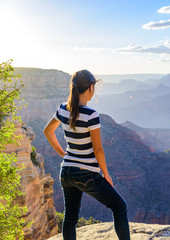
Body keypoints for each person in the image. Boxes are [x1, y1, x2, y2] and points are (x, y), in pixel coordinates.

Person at [43, 70, 130, 240]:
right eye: (94, 87)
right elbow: (98, 149)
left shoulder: (62, 109)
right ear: (90, 87)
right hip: (87, 174)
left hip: (66, 172)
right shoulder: (91, 115)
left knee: (70, 219)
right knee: (119, 207)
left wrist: (63, 153)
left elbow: (47, 131)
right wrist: (106, 174)